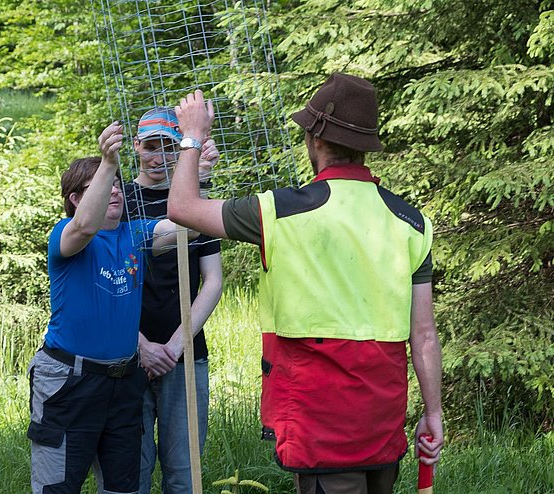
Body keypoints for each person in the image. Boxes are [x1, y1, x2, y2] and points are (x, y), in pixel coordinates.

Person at [167, 74, 444, 494]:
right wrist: (433, 412)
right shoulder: (411, 222)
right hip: (382, 422)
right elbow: (423, 336)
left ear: (316, 139)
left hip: (319, 421)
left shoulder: (280, 211)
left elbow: (181, 207)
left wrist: (191, 137)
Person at [27, 122, 196, 494]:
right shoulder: (66, 234)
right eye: (104, 185)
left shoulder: (135, 235)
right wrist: (107, 161)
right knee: (57, 487)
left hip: (124, 384)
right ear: (75, 199)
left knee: (125, 488)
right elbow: (86, 225)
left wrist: (194, 160)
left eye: (118, 183)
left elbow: (189, 227)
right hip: (70, 382)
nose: (116, 190)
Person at [125, 108, 223, 493]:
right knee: (130, 469)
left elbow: (213, 281)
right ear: (136, 146)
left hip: (184, 353)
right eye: (150, 146)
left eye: (168, 147)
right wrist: (143, 347)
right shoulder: (118, 197)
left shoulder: (195, 199)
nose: (158, 157)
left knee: (184, 472)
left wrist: (175, 345)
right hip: (125, 354)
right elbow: (100, 281)